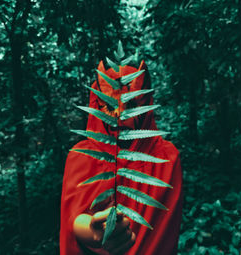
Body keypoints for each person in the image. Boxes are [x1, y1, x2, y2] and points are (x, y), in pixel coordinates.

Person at [60, 60, 183, 254]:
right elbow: (74, 220)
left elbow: (163, 235)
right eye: (109, 104)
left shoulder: (167, 157)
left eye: (131, 103)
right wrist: (94, 233)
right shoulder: (82, 156)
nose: (119, 113)